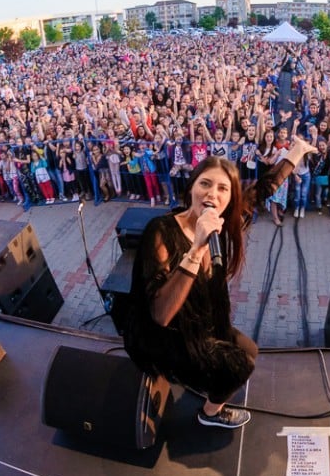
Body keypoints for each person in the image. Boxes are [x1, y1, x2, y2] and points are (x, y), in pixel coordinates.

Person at [119, 137, 316, 429]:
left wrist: (296, 152)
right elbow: (160, 315)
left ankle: (206, 385)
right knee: (241, 366)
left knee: (250, 350)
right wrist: (196, 248)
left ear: (230, 198)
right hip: (169, 337)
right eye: (205, 184)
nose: (213, 193)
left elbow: (263, 189)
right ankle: (209, 413)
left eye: (223, 188)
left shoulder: (225, 224)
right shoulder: (160, 231)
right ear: (192, 188)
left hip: (203, 321)